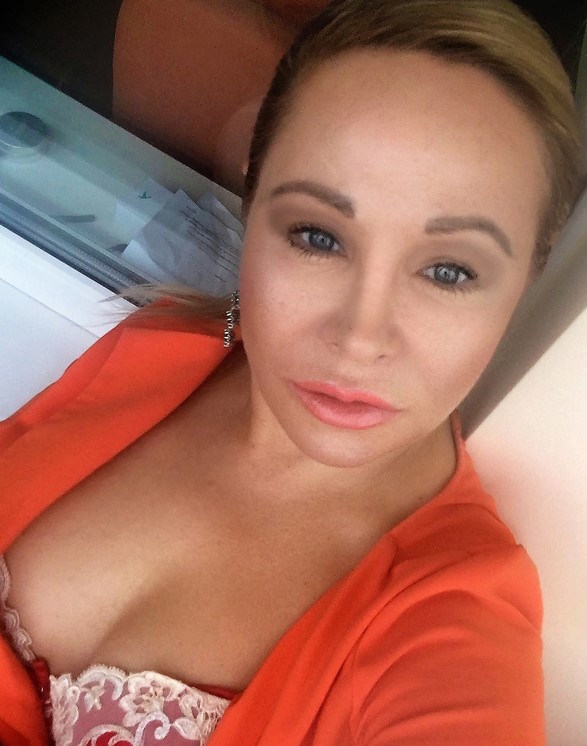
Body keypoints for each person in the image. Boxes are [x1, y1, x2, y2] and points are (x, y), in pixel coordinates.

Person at [0, 0, 582, 744]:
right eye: (318, 236)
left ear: (527, 277)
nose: (359, 339)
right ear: (254, 196)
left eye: (448, 270)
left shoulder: (454, 620)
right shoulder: (164, 345)